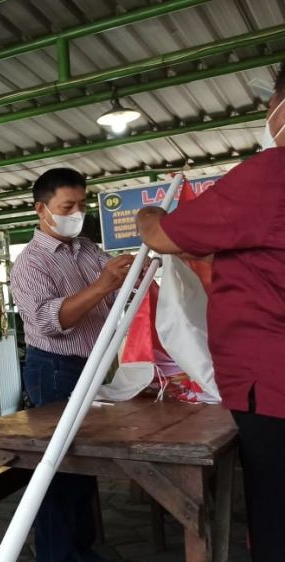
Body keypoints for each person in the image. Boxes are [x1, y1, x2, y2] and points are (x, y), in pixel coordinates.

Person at [135, 64, 285, 562]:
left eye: (269, 105)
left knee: (275, 514)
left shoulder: (270, 175)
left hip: (274, 385)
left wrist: (148, 214)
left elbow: (162, 236)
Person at [10, 167, 130, 562]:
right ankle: (58, 555)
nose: (76, 213)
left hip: (91, 367)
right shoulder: (30, 263)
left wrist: (131, 277)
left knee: (83, 466)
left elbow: (112, 302)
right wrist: (102, 286)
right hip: (55, 370)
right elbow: (49, 321)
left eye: (81, 204)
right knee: (56, 471)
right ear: (41, 209)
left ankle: (82, 550)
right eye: (67, 206)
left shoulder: (88, 250)